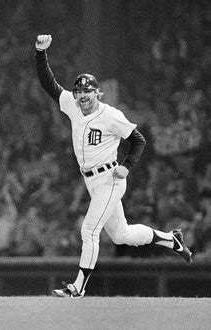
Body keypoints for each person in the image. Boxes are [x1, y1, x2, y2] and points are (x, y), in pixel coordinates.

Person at [35, 34, 192, 298]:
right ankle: (171, 239)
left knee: (89, 230)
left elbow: (138, 140)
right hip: (90, 181)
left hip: (110, 178)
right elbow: (49, 84)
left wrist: (127, 166)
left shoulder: (110, 115)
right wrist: (40, 52)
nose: (83, 95)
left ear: (98, 92)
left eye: (88, 91)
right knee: (121, 234)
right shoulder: (73, 106)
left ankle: (78, 287)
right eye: (80, 91)